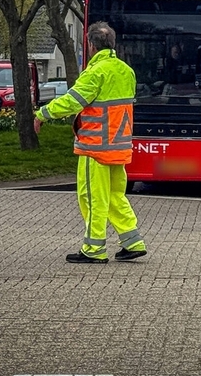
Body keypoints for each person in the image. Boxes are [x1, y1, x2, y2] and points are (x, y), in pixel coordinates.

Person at [33, 21, 146, 264]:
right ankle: (132, 242)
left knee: (92, 197)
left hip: (95, 148)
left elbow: (72, 102)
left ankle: (93, 250)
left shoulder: (96, 72)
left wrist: (42, 114)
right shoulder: (126, 71)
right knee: (116, 195)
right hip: (120, 146)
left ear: (91, 46)